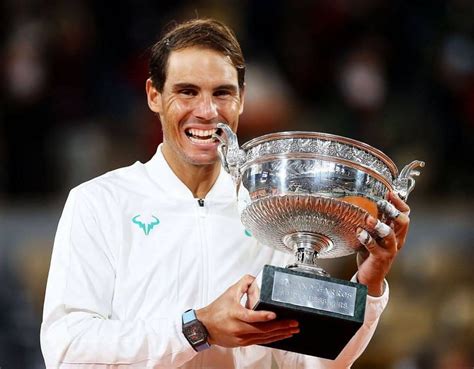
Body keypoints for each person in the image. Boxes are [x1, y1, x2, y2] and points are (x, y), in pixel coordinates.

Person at [41, 18, 411, 368]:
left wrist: (369, 283)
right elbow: (67, 350)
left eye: (222, 93)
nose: (206, 111)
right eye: (187, 92)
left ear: (242, 99)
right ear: (154, 95)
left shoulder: (271, 210)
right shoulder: (99, 202)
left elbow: (309, 362)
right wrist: (196, 328)